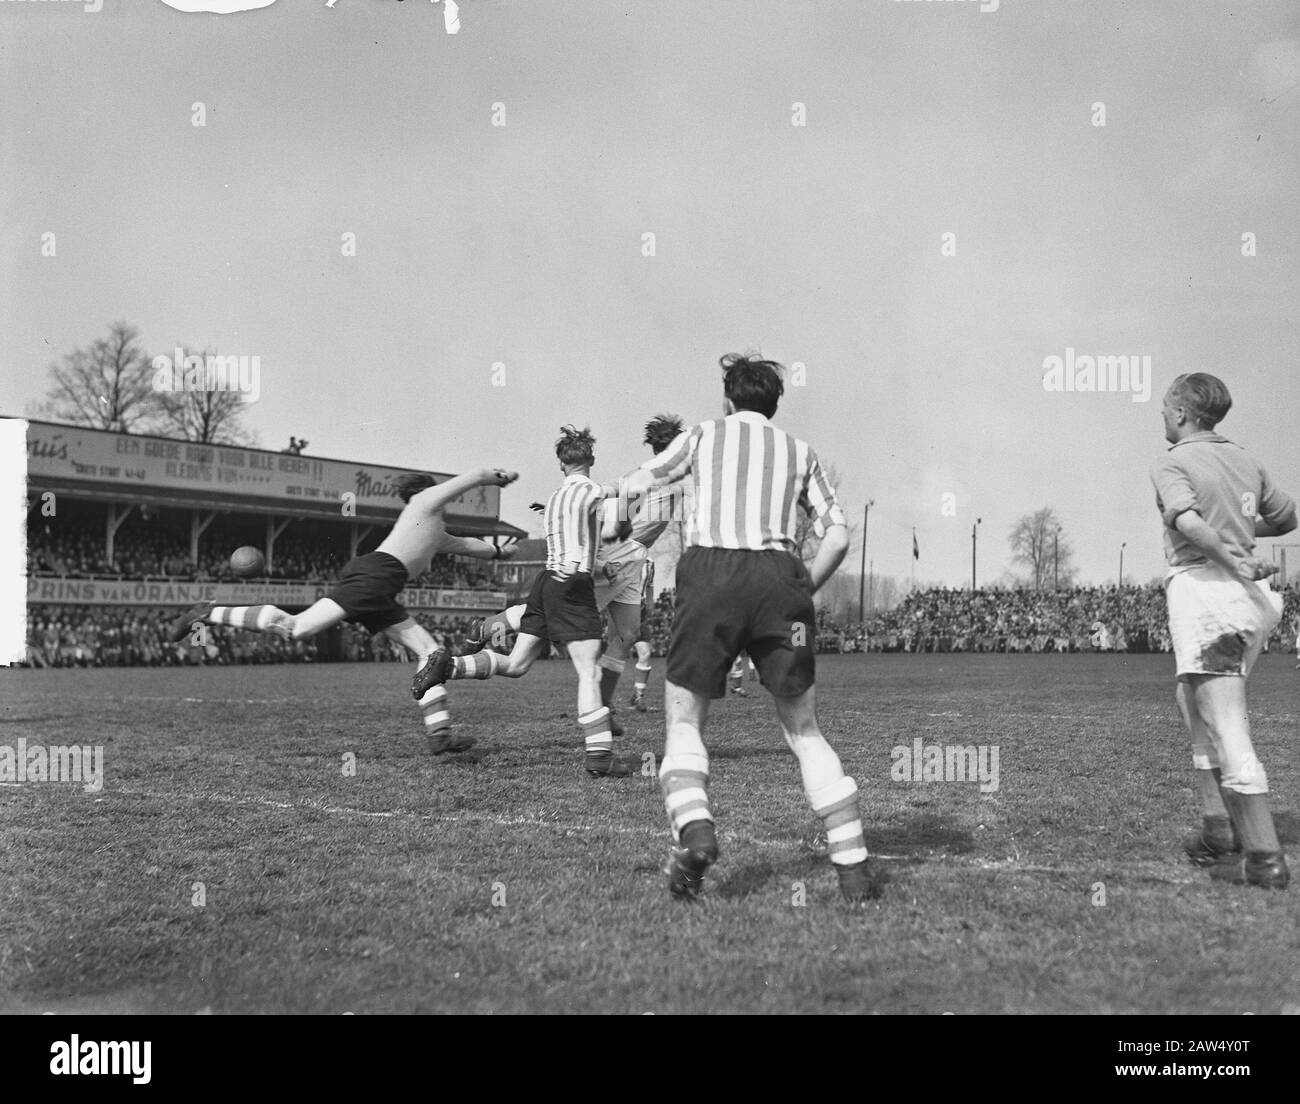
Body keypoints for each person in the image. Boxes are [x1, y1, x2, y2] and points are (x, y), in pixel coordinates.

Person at [616, 353, 885, 902]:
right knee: (804, 731)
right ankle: (854, 871)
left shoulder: (702, 436)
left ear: (727, 400)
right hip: (779, 579)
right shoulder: (800, 451)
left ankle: (694, 832)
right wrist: (799, 589)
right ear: (774, 404)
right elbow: (837, 537)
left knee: (686, 721)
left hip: (711, 573)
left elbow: (637, 483)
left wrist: (620, 512)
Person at [169, 467, 518, 755]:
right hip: (375, 578)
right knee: (297, 627)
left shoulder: (433, 528)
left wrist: (500, 553)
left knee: (431, 653)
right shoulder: (423, 502)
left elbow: (469, 546)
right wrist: (492, 475)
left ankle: (440, 735)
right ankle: (207, 612)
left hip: (381, 585)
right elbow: (464, 481)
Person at [413, 427, 633, 778]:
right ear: (590, 460)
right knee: (589, 672)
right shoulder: (591, 490)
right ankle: (600, 757)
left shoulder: (556, 498)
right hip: (571, 585)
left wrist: (601, 563)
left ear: (561, 464)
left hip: (546, 583)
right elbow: (614, 513)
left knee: (516, 664)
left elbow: (579, 536)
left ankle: (448, 667)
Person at [1151, 373, 1295, 889]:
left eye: (1166, 410)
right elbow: (1287, 518)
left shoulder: (1172, 461)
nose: (1163, 417)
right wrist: (1235, 525)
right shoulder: (1246, 458)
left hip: (1212, 593)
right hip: (1248, 600)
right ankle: (1217, 829)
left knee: (1226, 722)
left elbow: (1188, 524)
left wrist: (1231, 552)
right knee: (1192, 702)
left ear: (1184, 415)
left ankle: (1262, 857)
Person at [463, 415, 687, 732]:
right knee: (558, 611)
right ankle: (487, 626)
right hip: (620, 554)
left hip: (636, 560)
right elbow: (616, 515)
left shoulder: (673, 481)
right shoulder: (652, 478)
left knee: (626, 635)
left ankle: (605, 708)